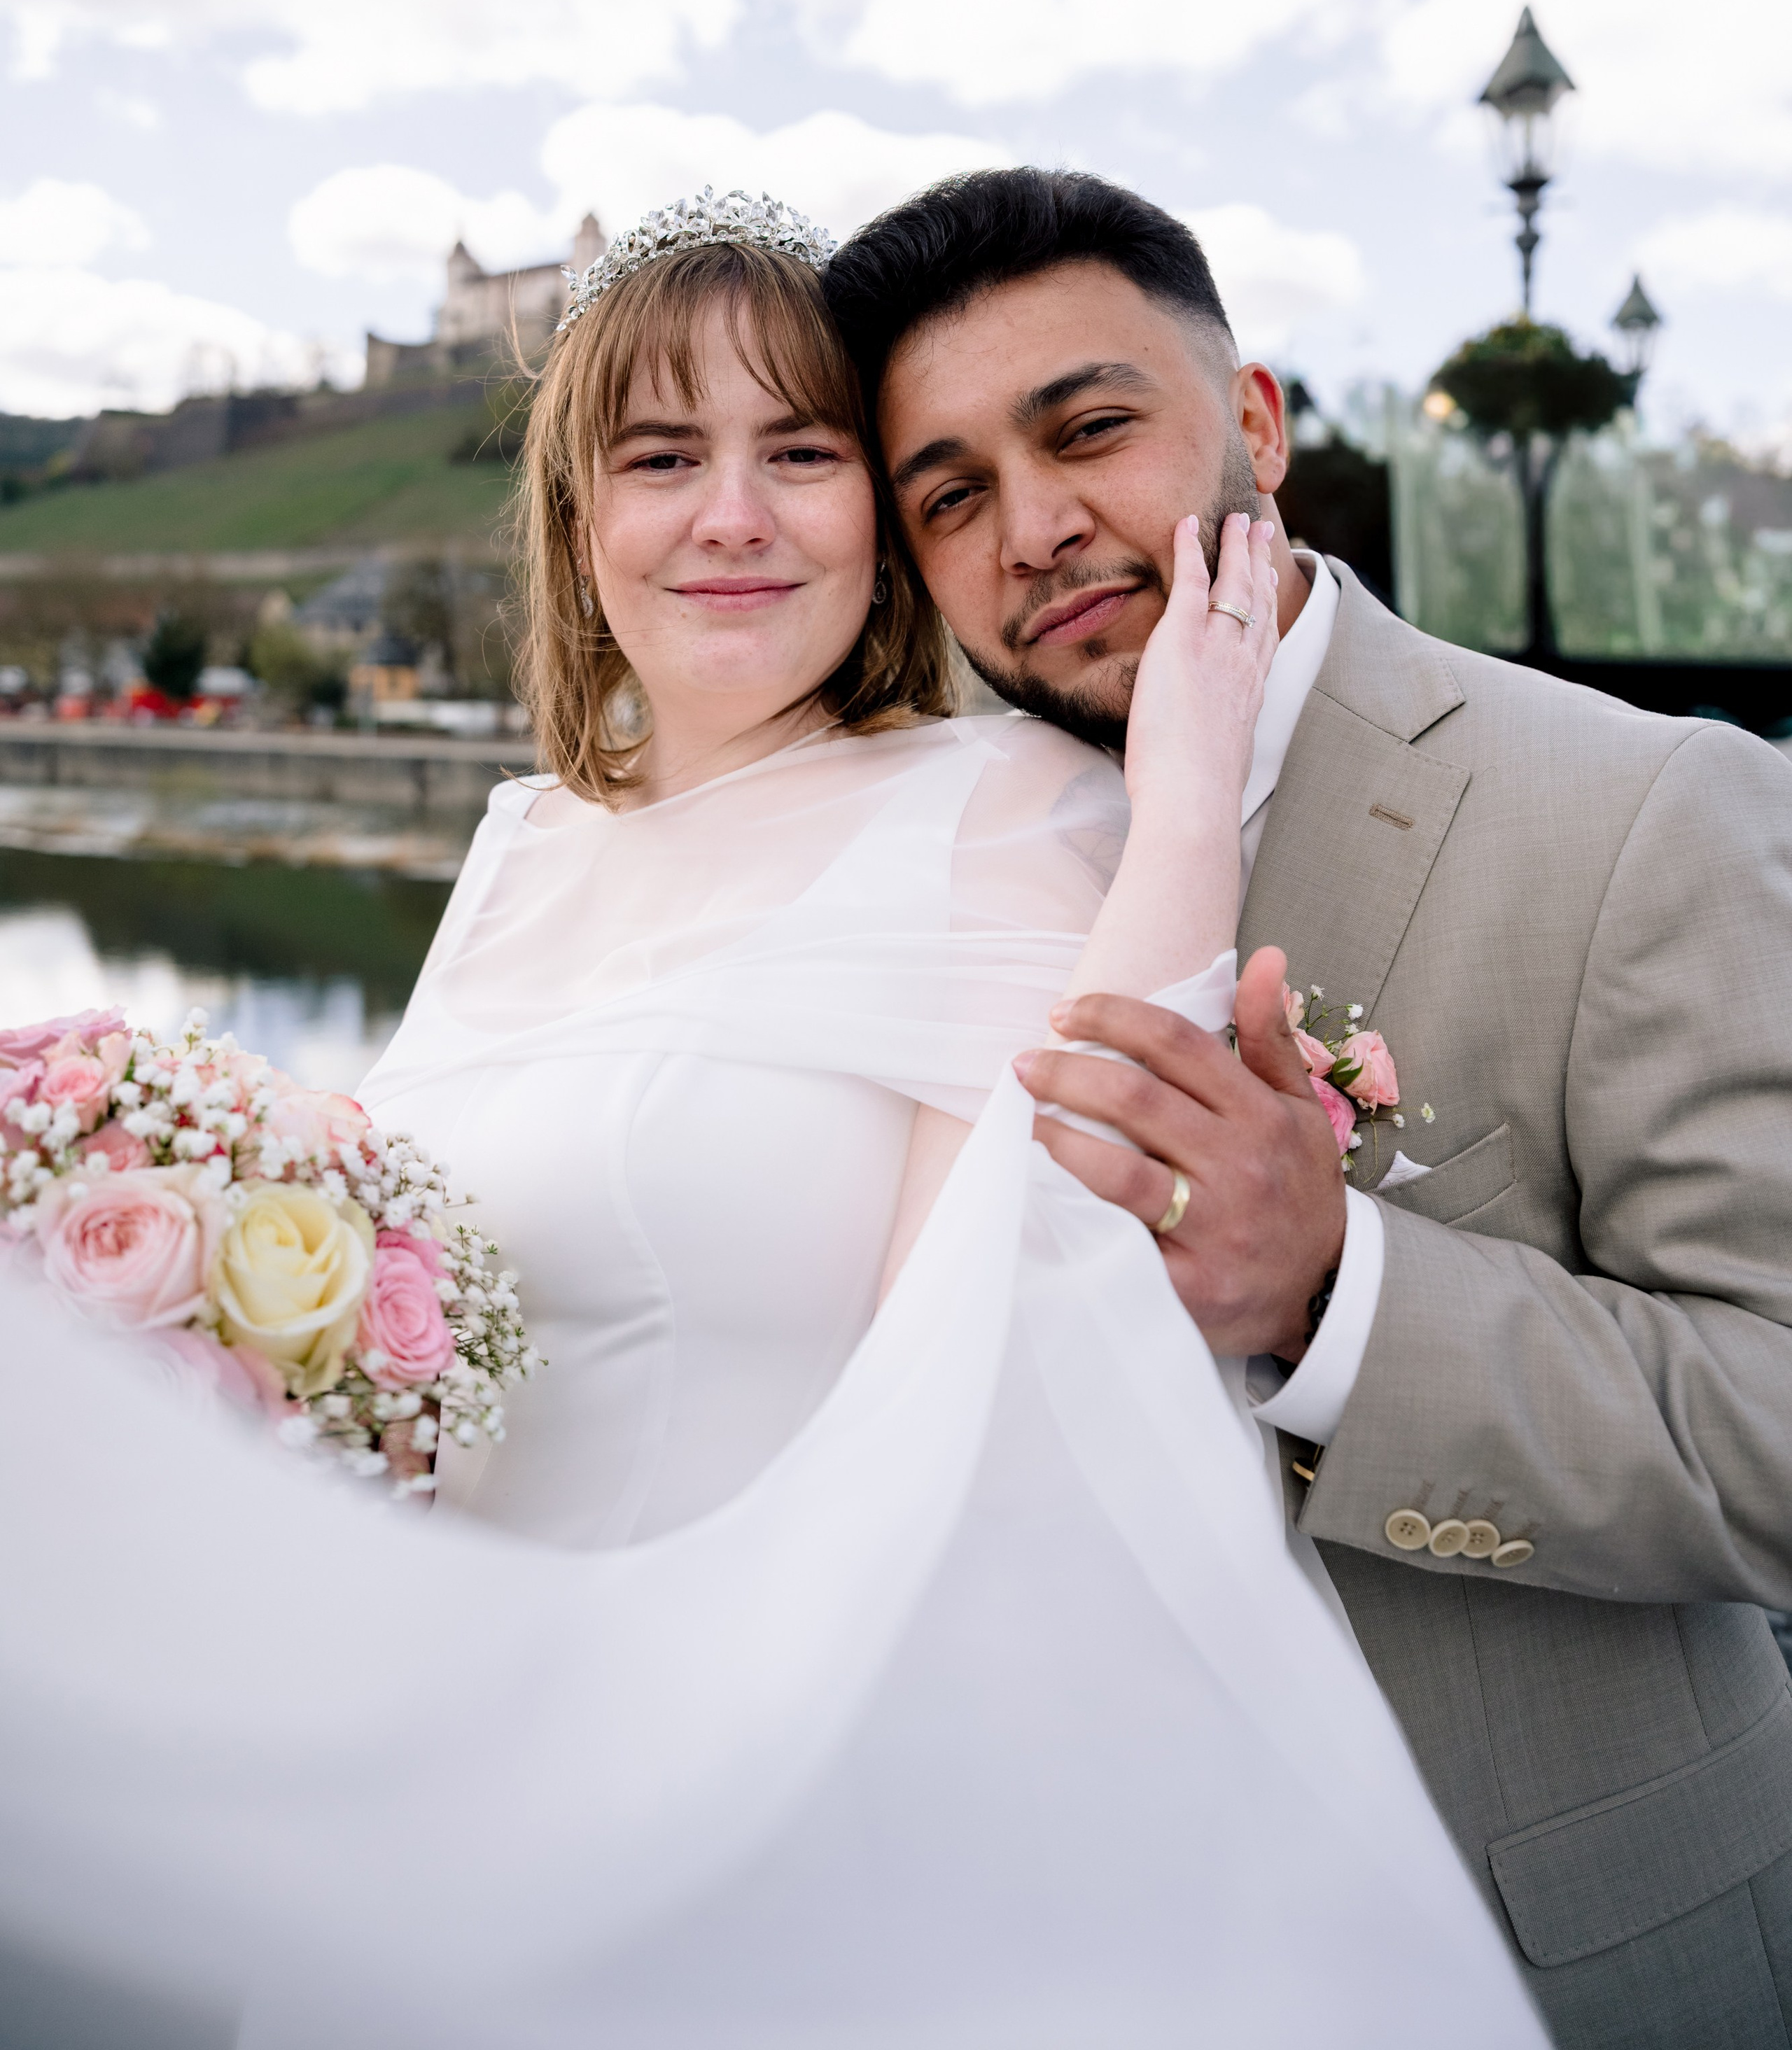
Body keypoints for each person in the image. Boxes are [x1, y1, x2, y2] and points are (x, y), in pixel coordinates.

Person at [0, 188, 1546, 2047]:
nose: (732, 513)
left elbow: (1029, 1329)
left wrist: (1186, 801)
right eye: (664, 457)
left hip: (767, 1802)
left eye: (799, 454)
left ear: (876, 522)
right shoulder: (522, 843)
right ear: (579, 525)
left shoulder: (1002, 813)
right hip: (440, 1787)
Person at [825, 162, 1792, 2050]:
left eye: (1087, 430)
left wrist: (1342, 1290)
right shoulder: (938, 869)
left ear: (1253, 423)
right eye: (951, 496)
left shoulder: (1644, 811)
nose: (1036, 528)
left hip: (1556, 1951)